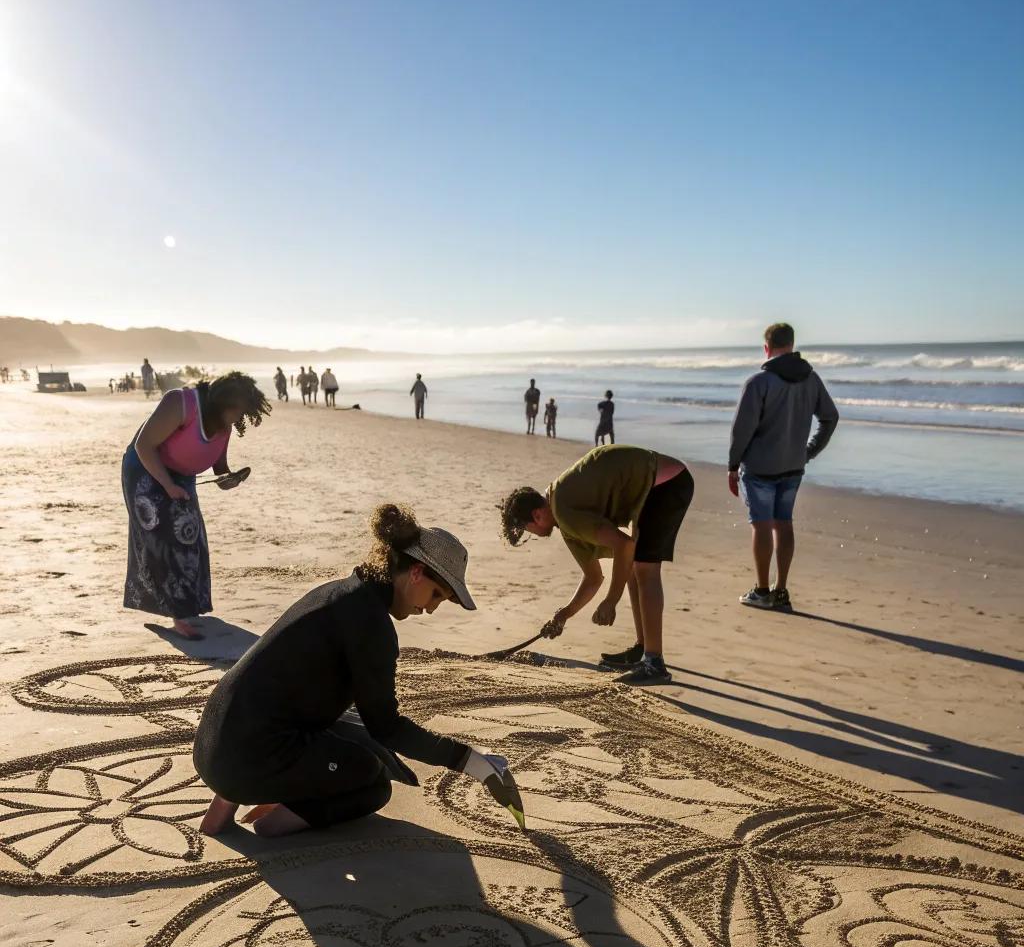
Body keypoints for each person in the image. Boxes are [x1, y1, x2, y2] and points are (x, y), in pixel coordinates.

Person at [194, 503, 513, 838]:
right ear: (417, 572)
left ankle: (221, 813)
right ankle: (271, 825)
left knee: (309, 720)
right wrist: (470, 760)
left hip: (212, 743)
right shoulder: (371, 625)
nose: (431, 609)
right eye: (436, 595)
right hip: (243, 762)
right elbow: (386, 727)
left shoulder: (338, 592)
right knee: (373, 782)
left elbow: (272, 688)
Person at [498, 444, 694, 685]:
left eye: (527, 530)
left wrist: (611, 600)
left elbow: (623, 544)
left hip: (667, 483)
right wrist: (564, 615)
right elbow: (593, 577)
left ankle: (654, 664)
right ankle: (642, 649)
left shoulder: (565, 511)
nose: (533, 534)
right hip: (656, 485)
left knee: (644, 569)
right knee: (633, 566)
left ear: (537, 516)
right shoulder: (561, 513)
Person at [122, 371, 270, 640]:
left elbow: (219, 468)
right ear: (221, 402)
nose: (239, 418)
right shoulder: (180, 403)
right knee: (165, 538)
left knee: (192, 538)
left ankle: (187, 607)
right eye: (237, 411)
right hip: (145, 468)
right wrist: (167, 486)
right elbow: (144, 445)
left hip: (181, 476)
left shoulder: (224, 427)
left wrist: (229, 479)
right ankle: (178, 616)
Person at [728, 322, 839, 612]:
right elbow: (830, 417)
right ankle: (781, 589)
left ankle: (763, 590)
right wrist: (809, 452)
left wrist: (732, 464)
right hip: (793, 466)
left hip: (760, 467)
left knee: (762, 525)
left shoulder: (758, 382)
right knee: (784, 523)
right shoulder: (810, 379)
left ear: (767, 348)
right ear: (791, 345)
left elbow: (742, 430)